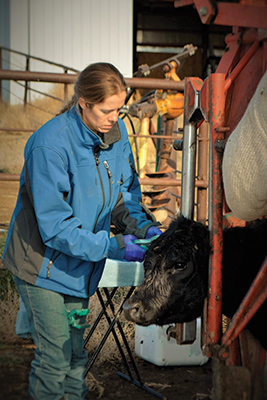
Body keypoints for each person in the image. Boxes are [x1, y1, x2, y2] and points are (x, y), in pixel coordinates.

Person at [1, 62, 162, 400]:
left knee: (76, 358)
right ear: (83, 103)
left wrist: (145, 227)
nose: (114, 117)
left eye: (119, 108)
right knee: (55, 358)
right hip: (41, 266)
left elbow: (123, 196)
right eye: (107, 110)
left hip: (80, 265)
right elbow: (56, 228)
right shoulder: (50, 145)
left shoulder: (116, 136)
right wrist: (116, 246)